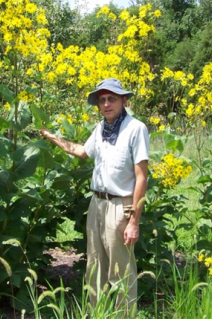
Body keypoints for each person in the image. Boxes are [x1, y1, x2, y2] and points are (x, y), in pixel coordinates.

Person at [39, 78, 149, 315]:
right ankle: (95, 313)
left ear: (124, 101)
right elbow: (81, 152)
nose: (107, 104)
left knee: (121, 271)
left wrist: (134, 221)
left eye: (112, 99)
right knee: (94, 267)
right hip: (96, 205)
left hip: (121, 207)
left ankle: (124, 315)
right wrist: (51, 137)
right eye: (102, 100)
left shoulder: (135, 129)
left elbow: (141, 178)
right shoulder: (100, 129)